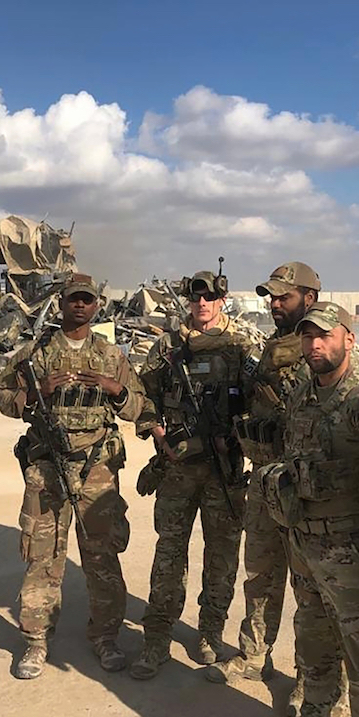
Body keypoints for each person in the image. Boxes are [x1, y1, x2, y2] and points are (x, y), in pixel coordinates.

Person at [256, 303, 359, 717]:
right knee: (314, 643)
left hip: (351, 548)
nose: (315, 345)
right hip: (304, 543)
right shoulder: (303, 393)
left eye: (325, 335)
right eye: (307, 337)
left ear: (349, 339)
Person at [0, 273, 146, 679]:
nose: (80, 306)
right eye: (73, 299)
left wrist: (117, 391)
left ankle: (106, 637)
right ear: (61, 303)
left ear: (97, 306)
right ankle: (36, 641)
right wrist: (34, 390)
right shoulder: (36, 353)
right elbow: (4, 397)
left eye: (87, 300)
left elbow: (139, 409)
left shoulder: (112, 356)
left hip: (97, 467)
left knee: (101, 555)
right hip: (47, 467)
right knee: (43, 556)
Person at [205, 263, 319, 716]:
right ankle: (254, 654)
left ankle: (313, 678)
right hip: (266, 477)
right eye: (271, 298)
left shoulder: (322, 345)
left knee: (310, 588)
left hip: (306, 487)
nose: (274, 305)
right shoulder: (272, 345)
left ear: (309, 297)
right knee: (260, 575)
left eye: (283, 298)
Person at [130, 266, 253, 680]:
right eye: (195, 297)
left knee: (222, 555)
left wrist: (240, 437)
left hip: (224, 468)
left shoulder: (241, 344)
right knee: (169, 554)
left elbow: (263, 400)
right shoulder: (167, 346)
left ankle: (210, 632)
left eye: (208, 297)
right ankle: (157, 637)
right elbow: (141, 395)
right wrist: (158, 431)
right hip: (178, 468)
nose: (201, 304)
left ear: (221, 298)